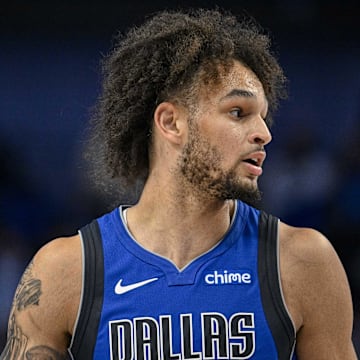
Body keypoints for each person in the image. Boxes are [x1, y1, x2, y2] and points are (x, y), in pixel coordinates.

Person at [0, 8, 357, 360]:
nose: (264, 133)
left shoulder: (302, 261)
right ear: (171, 122)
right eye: (238, 112)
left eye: (262, 117)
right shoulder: (66, 270)